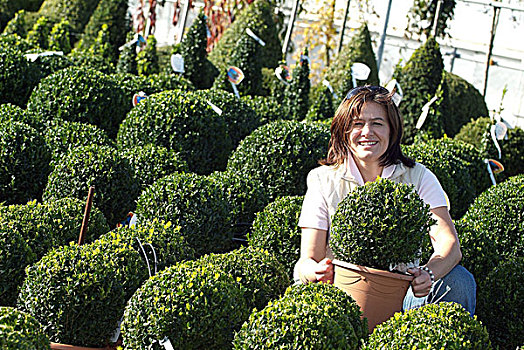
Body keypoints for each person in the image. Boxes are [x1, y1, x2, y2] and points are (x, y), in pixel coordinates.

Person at [294, 85, 476, 315]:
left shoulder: (418, 176)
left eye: (377, 123)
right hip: (341, 292)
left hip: (404, 296)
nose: (367, 132)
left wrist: (428, 274)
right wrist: (315, 272)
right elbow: (308, 259)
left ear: (392, 130)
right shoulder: (322, 179)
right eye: (357, 124)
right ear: (343, 130)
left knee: (459, 281)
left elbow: (449, 245)